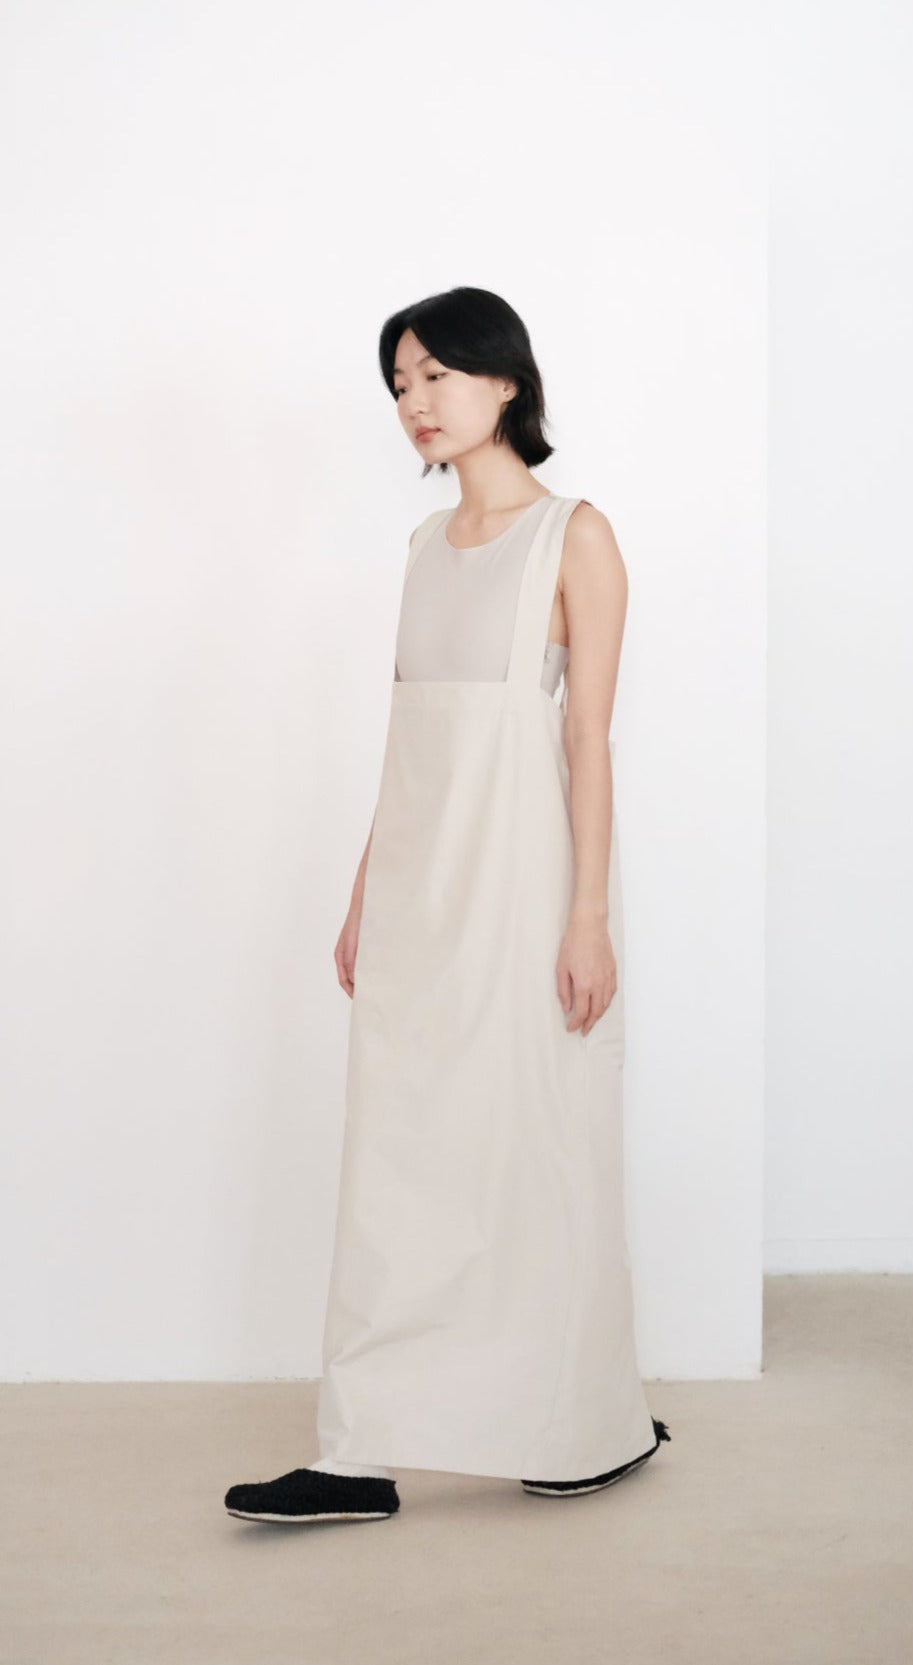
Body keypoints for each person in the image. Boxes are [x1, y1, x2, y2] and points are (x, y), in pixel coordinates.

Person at [225, 287, 670, 1527]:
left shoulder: (575, 535)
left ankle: (578, 1425)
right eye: (399, 384)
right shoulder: (424, 547)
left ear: (504, 380)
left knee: (535, 1141)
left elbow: (586, 740)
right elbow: (413, 736)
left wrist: (587, 919)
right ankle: (357, 1450)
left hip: (525, 884)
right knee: (396, 1155)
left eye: (434, 375)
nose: (413, 402)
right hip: (418, 890)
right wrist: (365, 890)